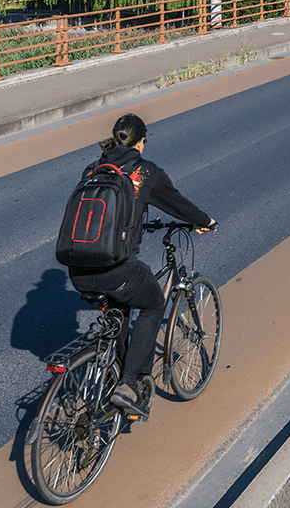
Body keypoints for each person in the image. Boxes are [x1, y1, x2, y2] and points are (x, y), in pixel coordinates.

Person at [67, 113, 215, 418]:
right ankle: (129, 383)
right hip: (116, 269)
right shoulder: (145, 173)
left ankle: (114, 373)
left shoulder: (93, 169)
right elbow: (178, 204)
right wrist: (204, 222)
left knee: (119, 308)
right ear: (141, 142)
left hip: (79, 270)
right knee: (151, 303)